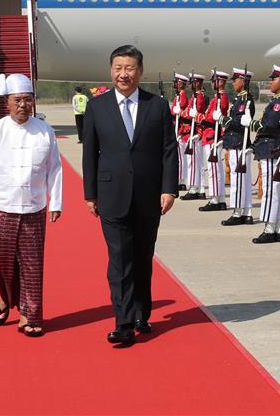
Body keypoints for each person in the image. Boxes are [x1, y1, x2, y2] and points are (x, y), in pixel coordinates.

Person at [82, 45, 178, 346]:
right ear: (111, 71)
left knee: (142, 257)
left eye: (129, 68)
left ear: (140, 71)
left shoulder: (158, 106)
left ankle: (141, 313)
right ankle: (123, 323)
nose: (123, 74)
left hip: (149, 195)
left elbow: (168, 151)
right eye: (118, 68)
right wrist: (90, 194)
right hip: (111, 194)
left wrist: (169, 188)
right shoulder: (97, 107)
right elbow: (90, 155)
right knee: (119, 259)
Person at [0, 73, 62, 338]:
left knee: (32, 264)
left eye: (27, 100)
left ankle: (30, 315)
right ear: (8, 103)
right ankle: (5, 298)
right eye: (17, 100)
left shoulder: (44, 131)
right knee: (0, 261)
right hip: (1, 207)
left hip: (34, 207)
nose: (23, 105)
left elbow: (54, 169)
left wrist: (55, 201)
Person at [250, 65, 280, 243]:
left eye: (274, 79)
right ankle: (279, 227)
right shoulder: (279, 100)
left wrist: (251, 124)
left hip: (271, 149)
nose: (271, 82)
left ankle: (269, 227)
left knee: (269, 190)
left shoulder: (279, 102)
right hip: (271, 148)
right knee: (275, 190)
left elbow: (270, 124)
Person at [220, 67, 255, 225]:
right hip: (235, 142)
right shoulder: (239, 99)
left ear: (244, 81)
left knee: (238, 178)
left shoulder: (246, 100)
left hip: (239, 143)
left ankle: (237, 212)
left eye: (236, 79)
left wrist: (225, 120)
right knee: (243, 178)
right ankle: (246, 211)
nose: (233, 82)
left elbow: (241, 122)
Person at [199, 70, 229, 212]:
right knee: (214, 169)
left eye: (214, 81)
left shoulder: (221, 97)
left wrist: (202, 118)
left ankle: (215, 199)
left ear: (221, 82)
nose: (212, 83)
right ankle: (220, 199)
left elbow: (213, 116)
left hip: (213, 136)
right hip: (209, 135)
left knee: (214, 170)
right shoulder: (215, 98)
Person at [179, 73, 207, 200]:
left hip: (196, 132)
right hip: (194, 131)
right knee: (197, 162)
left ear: (198, 83)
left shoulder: (199, 96)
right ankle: (199, 188)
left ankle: (195, 188)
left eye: (193, 83)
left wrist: (185, 113)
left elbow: (198, 111)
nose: (191, 85)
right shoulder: (194, 97)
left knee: (194, 163)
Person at [170, 73, 190, 190]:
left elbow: (180, 109)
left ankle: (182, 181)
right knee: (178, 157)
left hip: (181, 129)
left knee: (181, 157)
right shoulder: (178, 96)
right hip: (177, 128)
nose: (175, 84)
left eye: (177, 82)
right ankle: (179, 179)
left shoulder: (182, 96)